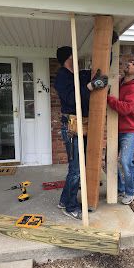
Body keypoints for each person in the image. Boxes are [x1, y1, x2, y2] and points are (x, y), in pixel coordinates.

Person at [54, 46, 108, 220]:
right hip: (71, 127)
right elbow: (71, 98)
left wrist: (110, 47)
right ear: (69, 57)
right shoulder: (62, 77)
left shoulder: (79, 74)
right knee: (76, 169)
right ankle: (70, 206)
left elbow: (102, 67)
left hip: (82, 125)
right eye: (74, 55)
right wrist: (91, 86)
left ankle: (64, 200)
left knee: (78, 167)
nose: (77, 58)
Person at [107, 59, 134, 205]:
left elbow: (126, 109)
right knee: (109, 160)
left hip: (129, 130)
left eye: (133, 64)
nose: (129, 64)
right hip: (115, 129)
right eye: (129, 62)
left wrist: (109, 99)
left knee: (125, 161)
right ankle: (121, 187)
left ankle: (131, 190)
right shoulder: (120, 83)